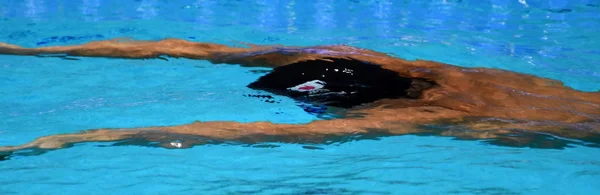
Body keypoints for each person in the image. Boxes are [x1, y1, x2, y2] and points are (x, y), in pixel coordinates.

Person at [0, 38, 599, 154]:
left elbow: (248, 132)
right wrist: (25, 53)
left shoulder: (421, 116)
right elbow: (185, 47)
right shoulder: (415, 68)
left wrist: (72, 138)